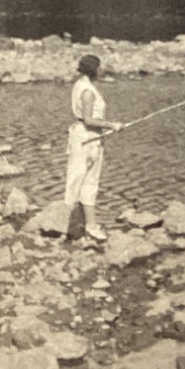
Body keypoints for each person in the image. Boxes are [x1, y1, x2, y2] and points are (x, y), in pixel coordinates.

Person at [65, 54, 120, 242]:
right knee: (84, 181)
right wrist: (112, 125)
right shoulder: (88, 91)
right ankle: (80, 226)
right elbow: (88, 120)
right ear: (94, 70)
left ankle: (86, 225)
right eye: (99, 67)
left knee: (82, 180)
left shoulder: (80, 84)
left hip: (84, 137)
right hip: (88, 138)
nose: (101, 70)